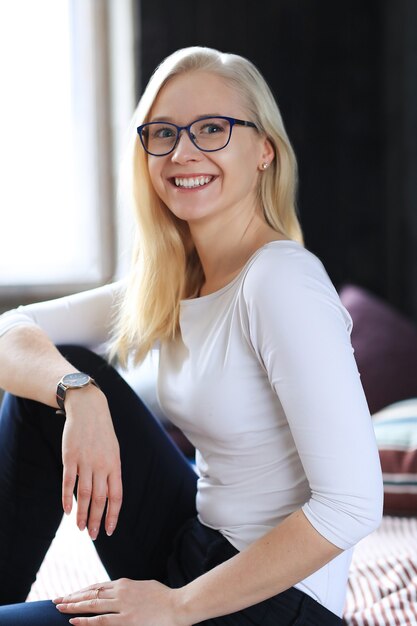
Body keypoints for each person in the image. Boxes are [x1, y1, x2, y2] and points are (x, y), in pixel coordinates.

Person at [0, 46, 383, 625]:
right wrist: (78, 393)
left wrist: (177, 607)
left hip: (272, 600)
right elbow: (11, 329)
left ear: (264, 150)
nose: (183, 152)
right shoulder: (177, 280)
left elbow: (353, 504)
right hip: (195, 543)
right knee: (60, 377)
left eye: (212, 129)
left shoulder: (281, 278)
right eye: (164, 133)